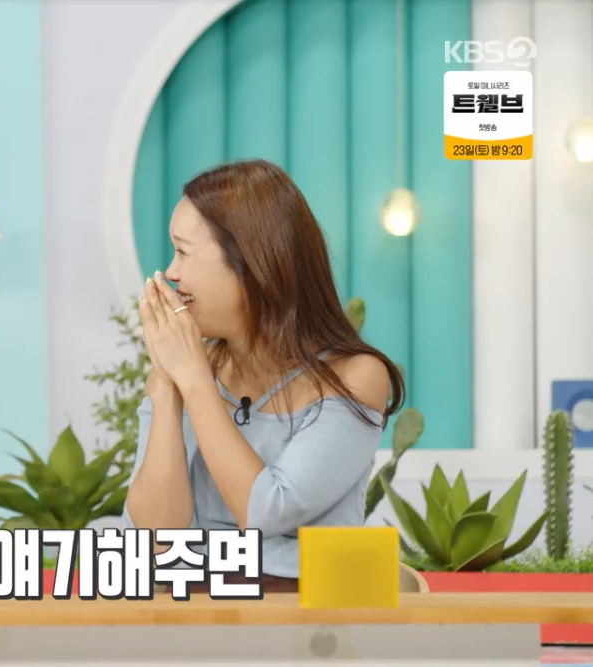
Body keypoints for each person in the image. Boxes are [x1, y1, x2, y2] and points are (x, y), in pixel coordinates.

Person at [124, 158, 405, 595]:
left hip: (310, 614)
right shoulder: (181, 373)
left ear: (249, 263)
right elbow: (157, 540)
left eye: (183, 251)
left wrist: (194, 380)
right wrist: (167, 383)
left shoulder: (356, 377)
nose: (172, 272)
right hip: (193, 610)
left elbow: (266, 512)